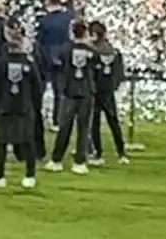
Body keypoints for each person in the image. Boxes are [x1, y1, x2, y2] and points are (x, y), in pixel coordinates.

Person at [0, 24, 43, 189]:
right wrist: (34, 105)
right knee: (28, 141)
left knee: (1, 143)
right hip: (24, 107)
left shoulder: (1, 63)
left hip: (5, 107)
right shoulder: (29, 63)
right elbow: (38, 87)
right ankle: (29, 176)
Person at [47, 18, 95, 174]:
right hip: (86, 91)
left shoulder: (65, 49)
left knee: (64, 127)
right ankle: (80, 162)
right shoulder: (92, 52)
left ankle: (57, 159)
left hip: (69, 92)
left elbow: (59, 67)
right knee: (83, 128)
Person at [88, 20, 127, 166]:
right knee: (113, 121)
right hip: (108, 90)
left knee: (95, 122)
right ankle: (121, 152)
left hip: (96, 91)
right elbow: (119, 73)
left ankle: (98, 153)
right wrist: (113, 86)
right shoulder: (113, 51)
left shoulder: (92, 52)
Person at [34, 0, 71, 127]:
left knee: (40, 91)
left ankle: (37, 118)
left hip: (46, 58)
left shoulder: (44, 20)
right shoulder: (68, 18)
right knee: (60, 92)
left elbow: (39, 41)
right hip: (63, 57)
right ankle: (58, 120)